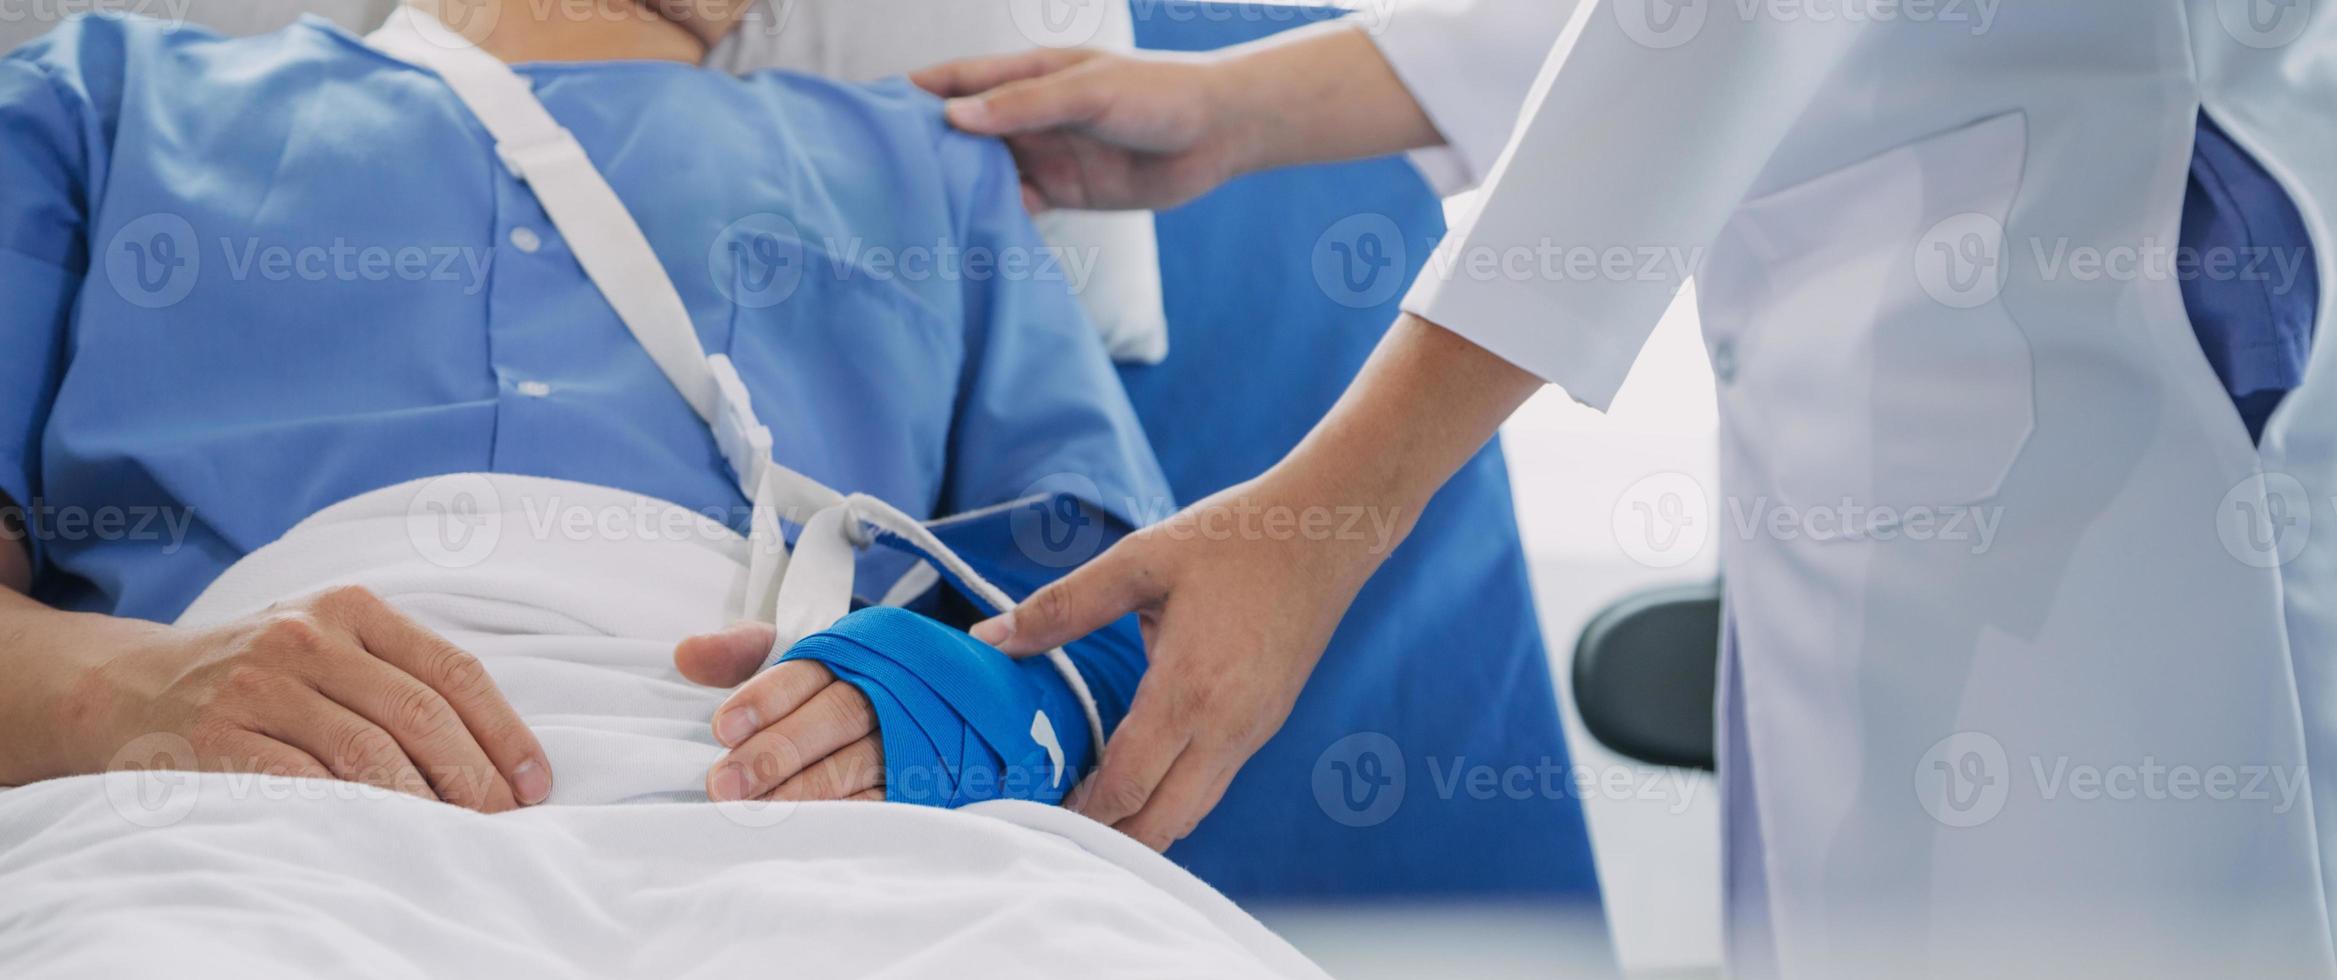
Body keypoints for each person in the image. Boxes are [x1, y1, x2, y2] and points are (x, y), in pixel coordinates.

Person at [922, 3, 2337, 975]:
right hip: (1915, 379)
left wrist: (1331, 511)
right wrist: (1243, 107)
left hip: (2093, 404)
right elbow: (1665, 34)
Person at [0, 0, 1168, 815]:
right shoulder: (92, 106)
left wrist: (958, 709)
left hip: (794, 801)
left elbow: (1134, 617)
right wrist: (116, 697)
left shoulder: (936, 166)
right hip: (223, 806)